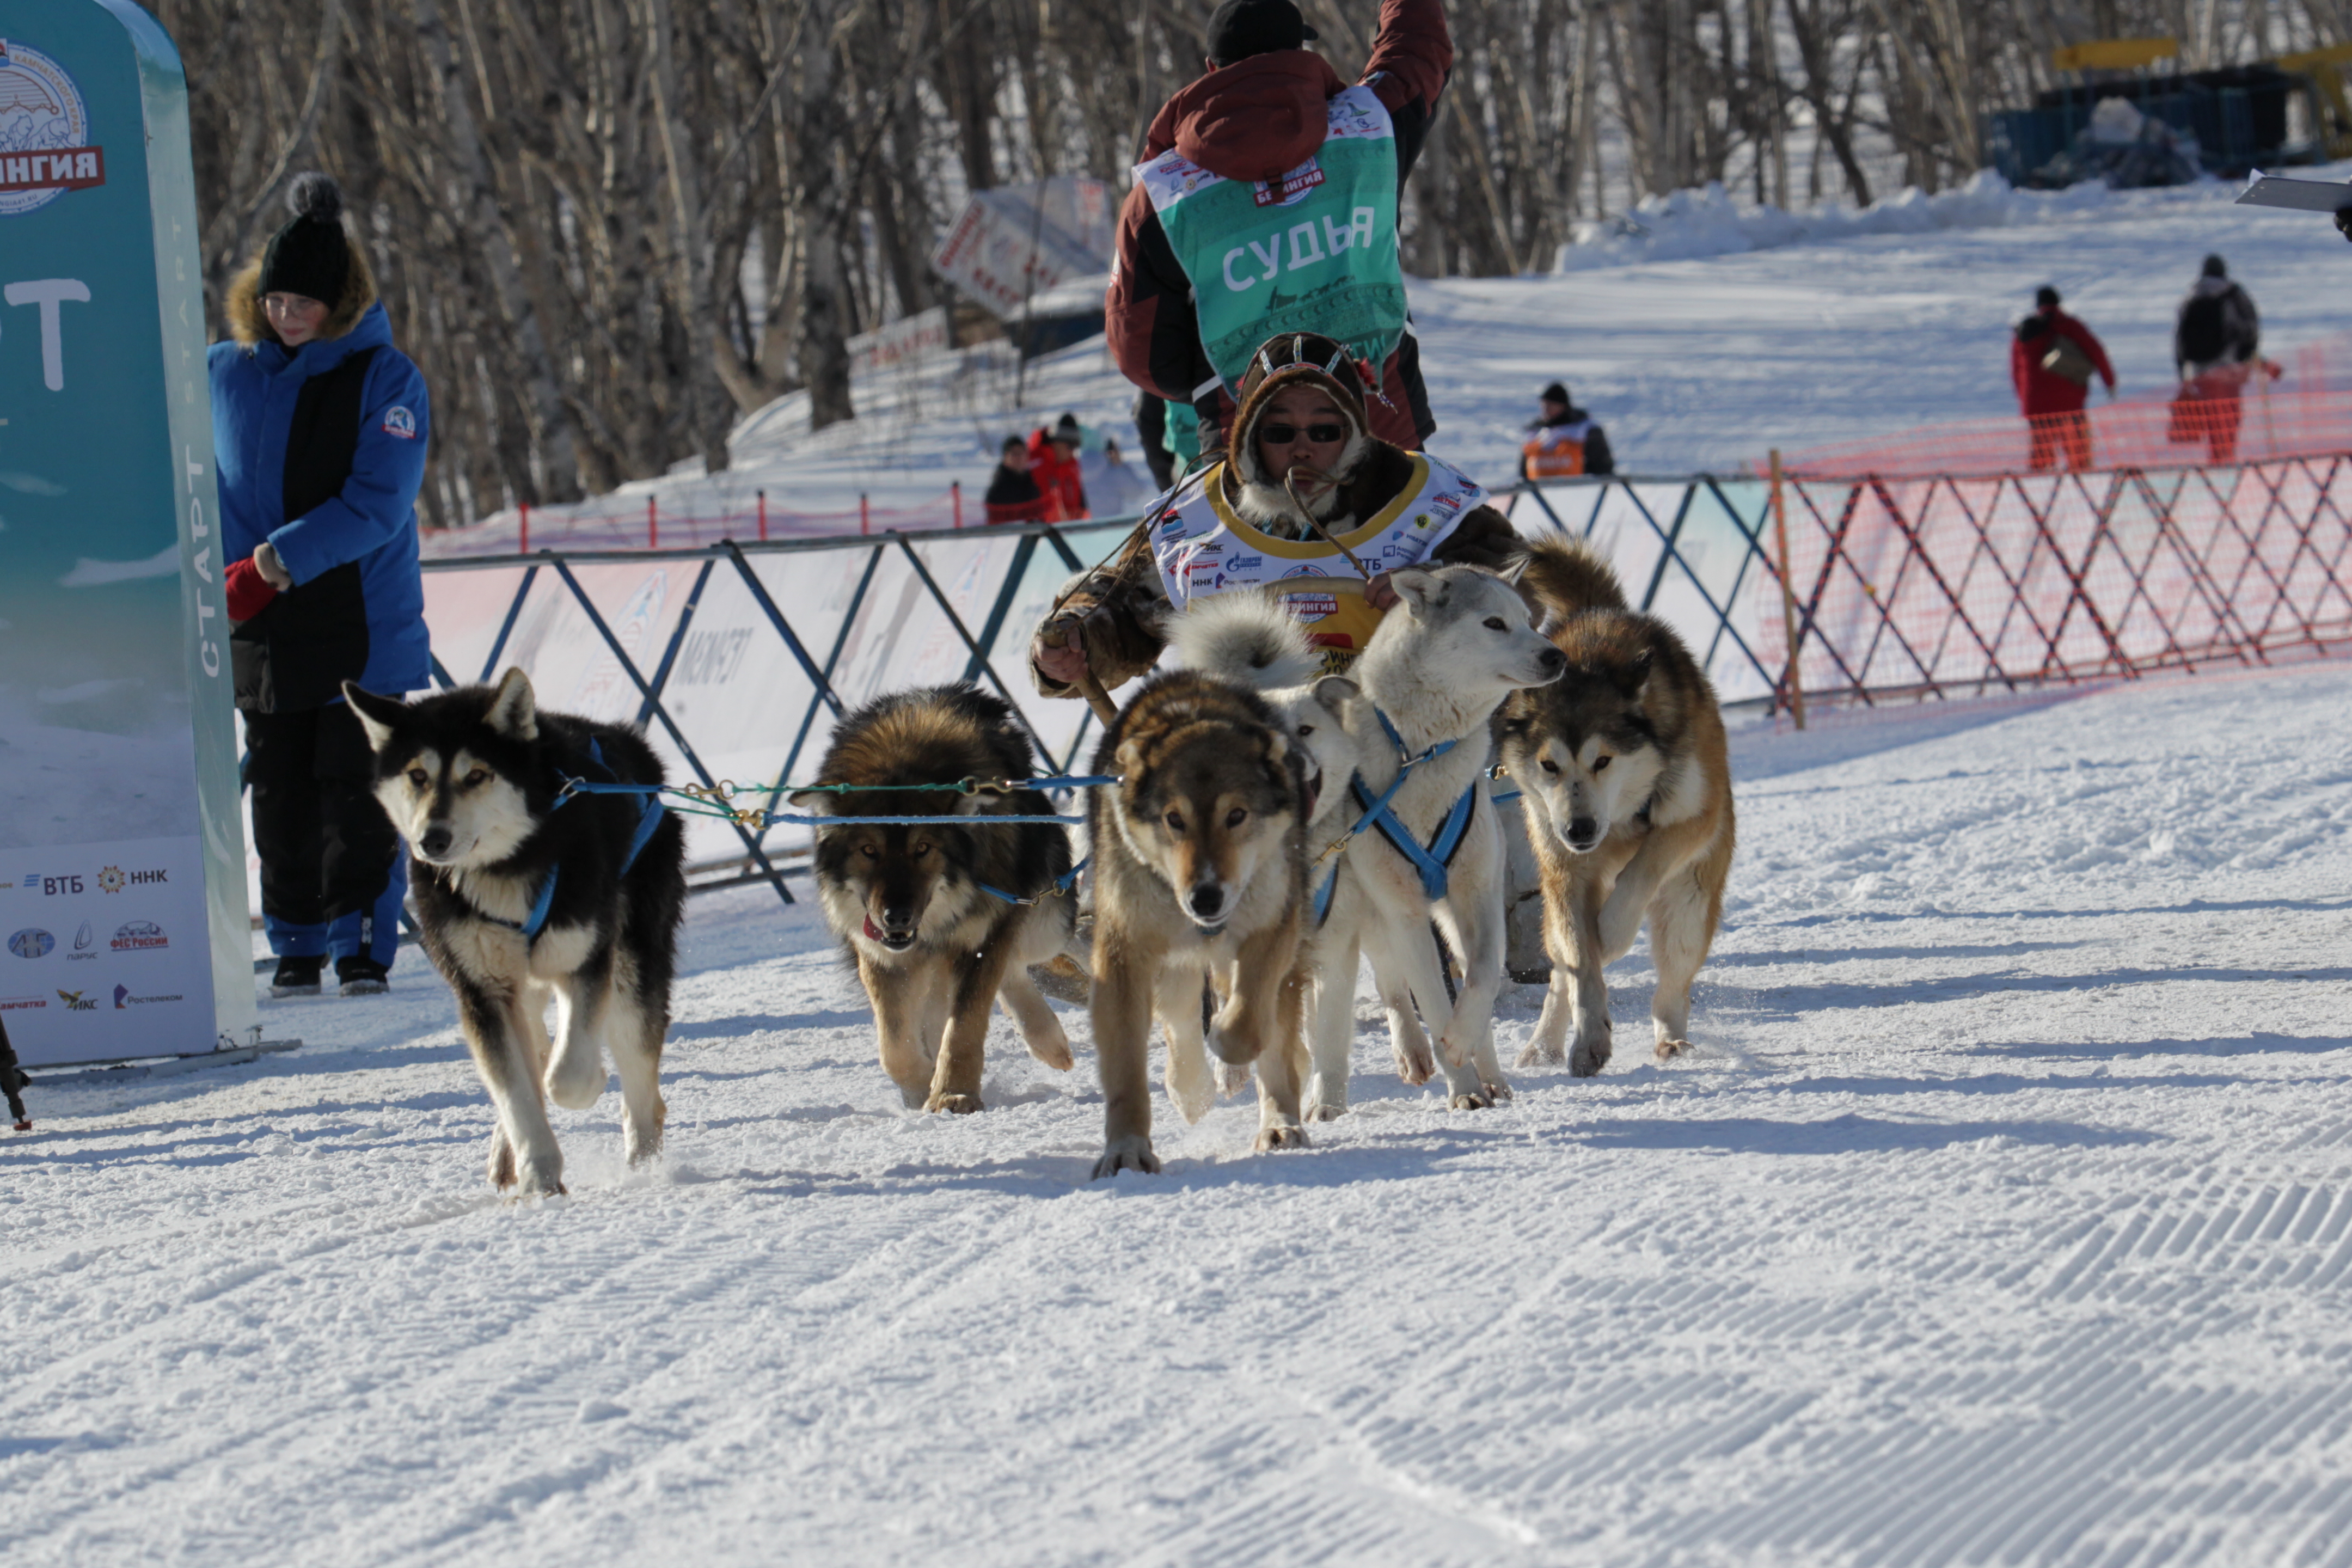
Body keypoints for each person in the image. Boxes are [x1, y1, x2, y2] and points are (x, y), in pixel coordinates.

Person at [1028, 330, 1520, 701]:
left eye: (1325, 432)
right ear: (1249, 436)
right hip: (1247, 768)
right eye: (1280, 433)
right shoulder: (1193, 516)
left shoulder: (1426, 499)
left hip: (1404, 754)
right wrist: (1074, 640)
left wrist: (1438, 588)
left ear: (1355, 433)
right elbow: (1119, 604)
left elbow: (1520, 589)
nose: (1302, 450)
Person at [213, 173, 432, 999]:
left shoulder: (386, 377)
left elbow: (378, 503)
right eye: (275, 299)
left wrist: (274, 561)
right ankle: (295, 940)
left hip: (358, 621)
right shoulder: (223, 374)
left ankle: (362, 944)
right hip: (258, 621)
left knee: (355, 788)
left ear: (339, 302)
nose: (287, 314)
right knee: (278, 790)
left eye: (305, 301)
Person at [1107, 0, 1456, 454]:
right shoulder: (1370, 126)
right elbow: (1418, 49)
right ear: (1298, 52)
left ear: (1212, 68)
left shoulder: (1160, 199)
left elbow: (1142, 354)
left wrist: (1216, 382)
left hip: (1251, 461)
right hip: (1384, 440)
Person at [2171, 255, 2269, 464]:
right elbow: (2249, 326)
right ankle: (2226, 454)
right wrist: (2248, 354)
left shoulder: (2191, 296)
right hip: (2229, 366)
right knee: (2230, 413)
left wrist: (2182, 371)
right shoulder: (2234, 294)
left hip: (2200, 368)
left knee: (2212, 414)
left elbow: (2179, 336)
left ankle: (2216, 456)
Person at [2011, 285, 2114, 473]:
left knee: (2041, 456)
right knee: (2078, 455)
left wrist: (2024, 397)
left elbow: (2017, 370)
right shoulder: (2068, 325)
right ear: (2058, 302)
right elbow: (2096, 352)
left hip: (2037, 404)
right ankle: (2082, 484)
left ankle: (2038, 490)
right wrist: (2110, 381)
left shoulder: (2023, 332)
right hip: (2069, 401)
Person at [1521, 382, 1615, 479]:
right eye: (1544, 405)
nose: (1546, 409)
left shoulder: (1584, 429)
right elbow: (1524, 470)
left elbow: (1602, 466)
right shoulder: (1534, 433)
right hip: (1537, 491)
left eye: (1551, 405)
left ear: (1563, 406)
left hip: (1577, 490)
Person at [1025, 413, 1090, 520]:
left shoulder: (1072, 467)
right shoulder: (1033, 464)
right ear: (1057, 442)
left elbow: (1080, 507)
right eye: (1071, 446)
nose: (1073, 452)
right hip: (1039, 532)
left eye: (1076, 447)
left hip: (1069, 532)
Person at [983, 435, 1052, 523]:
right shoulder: (999, 488)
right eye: (1015, 454)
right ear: (1005, 457)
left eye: (1022, 453)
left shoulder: (1031, 482)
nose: (1019, 458)